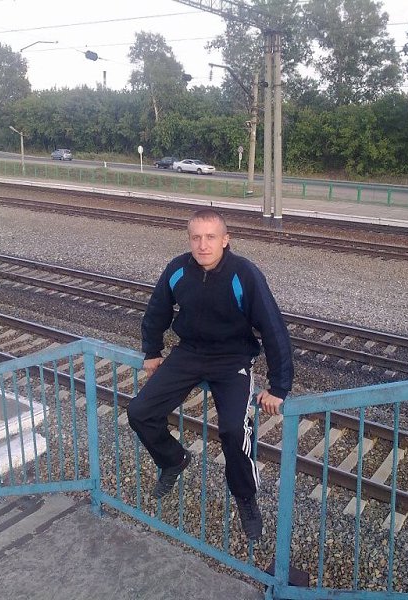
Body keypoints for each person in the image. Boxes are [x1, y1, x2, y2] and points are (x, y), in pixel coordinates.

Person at [127, 209, 294, 541]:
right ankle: (174, 460)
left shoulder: (244, 274)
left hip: (232, 359)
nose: (203, 245)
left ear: (225, 240)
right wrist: (152, 350)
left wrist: (279, 386)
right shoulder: (177, 269)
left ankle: (245, 498)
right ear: (189, 239)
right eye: (196, 238)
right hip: (189, 353)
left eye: (211, 237)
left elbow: (274, 329)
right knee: (139, 412)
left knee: (233, 430)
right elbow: (157, 310)